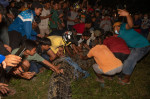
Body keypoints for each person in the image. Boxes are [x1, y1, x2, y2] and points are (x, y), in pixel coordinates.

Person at [114, 9, 150, 84]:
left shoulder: (124, 27)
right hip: (133, 47)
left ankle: (127, 79)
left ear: (120, 25)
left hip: (142, 45)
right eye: (114, 26)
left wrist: (127, 15)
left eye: (117, 26)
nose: (116, 28)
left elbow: (131, 25)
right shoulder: (118, 35)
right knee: (124, 56)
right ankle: (122, 73)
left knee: (130, 60)